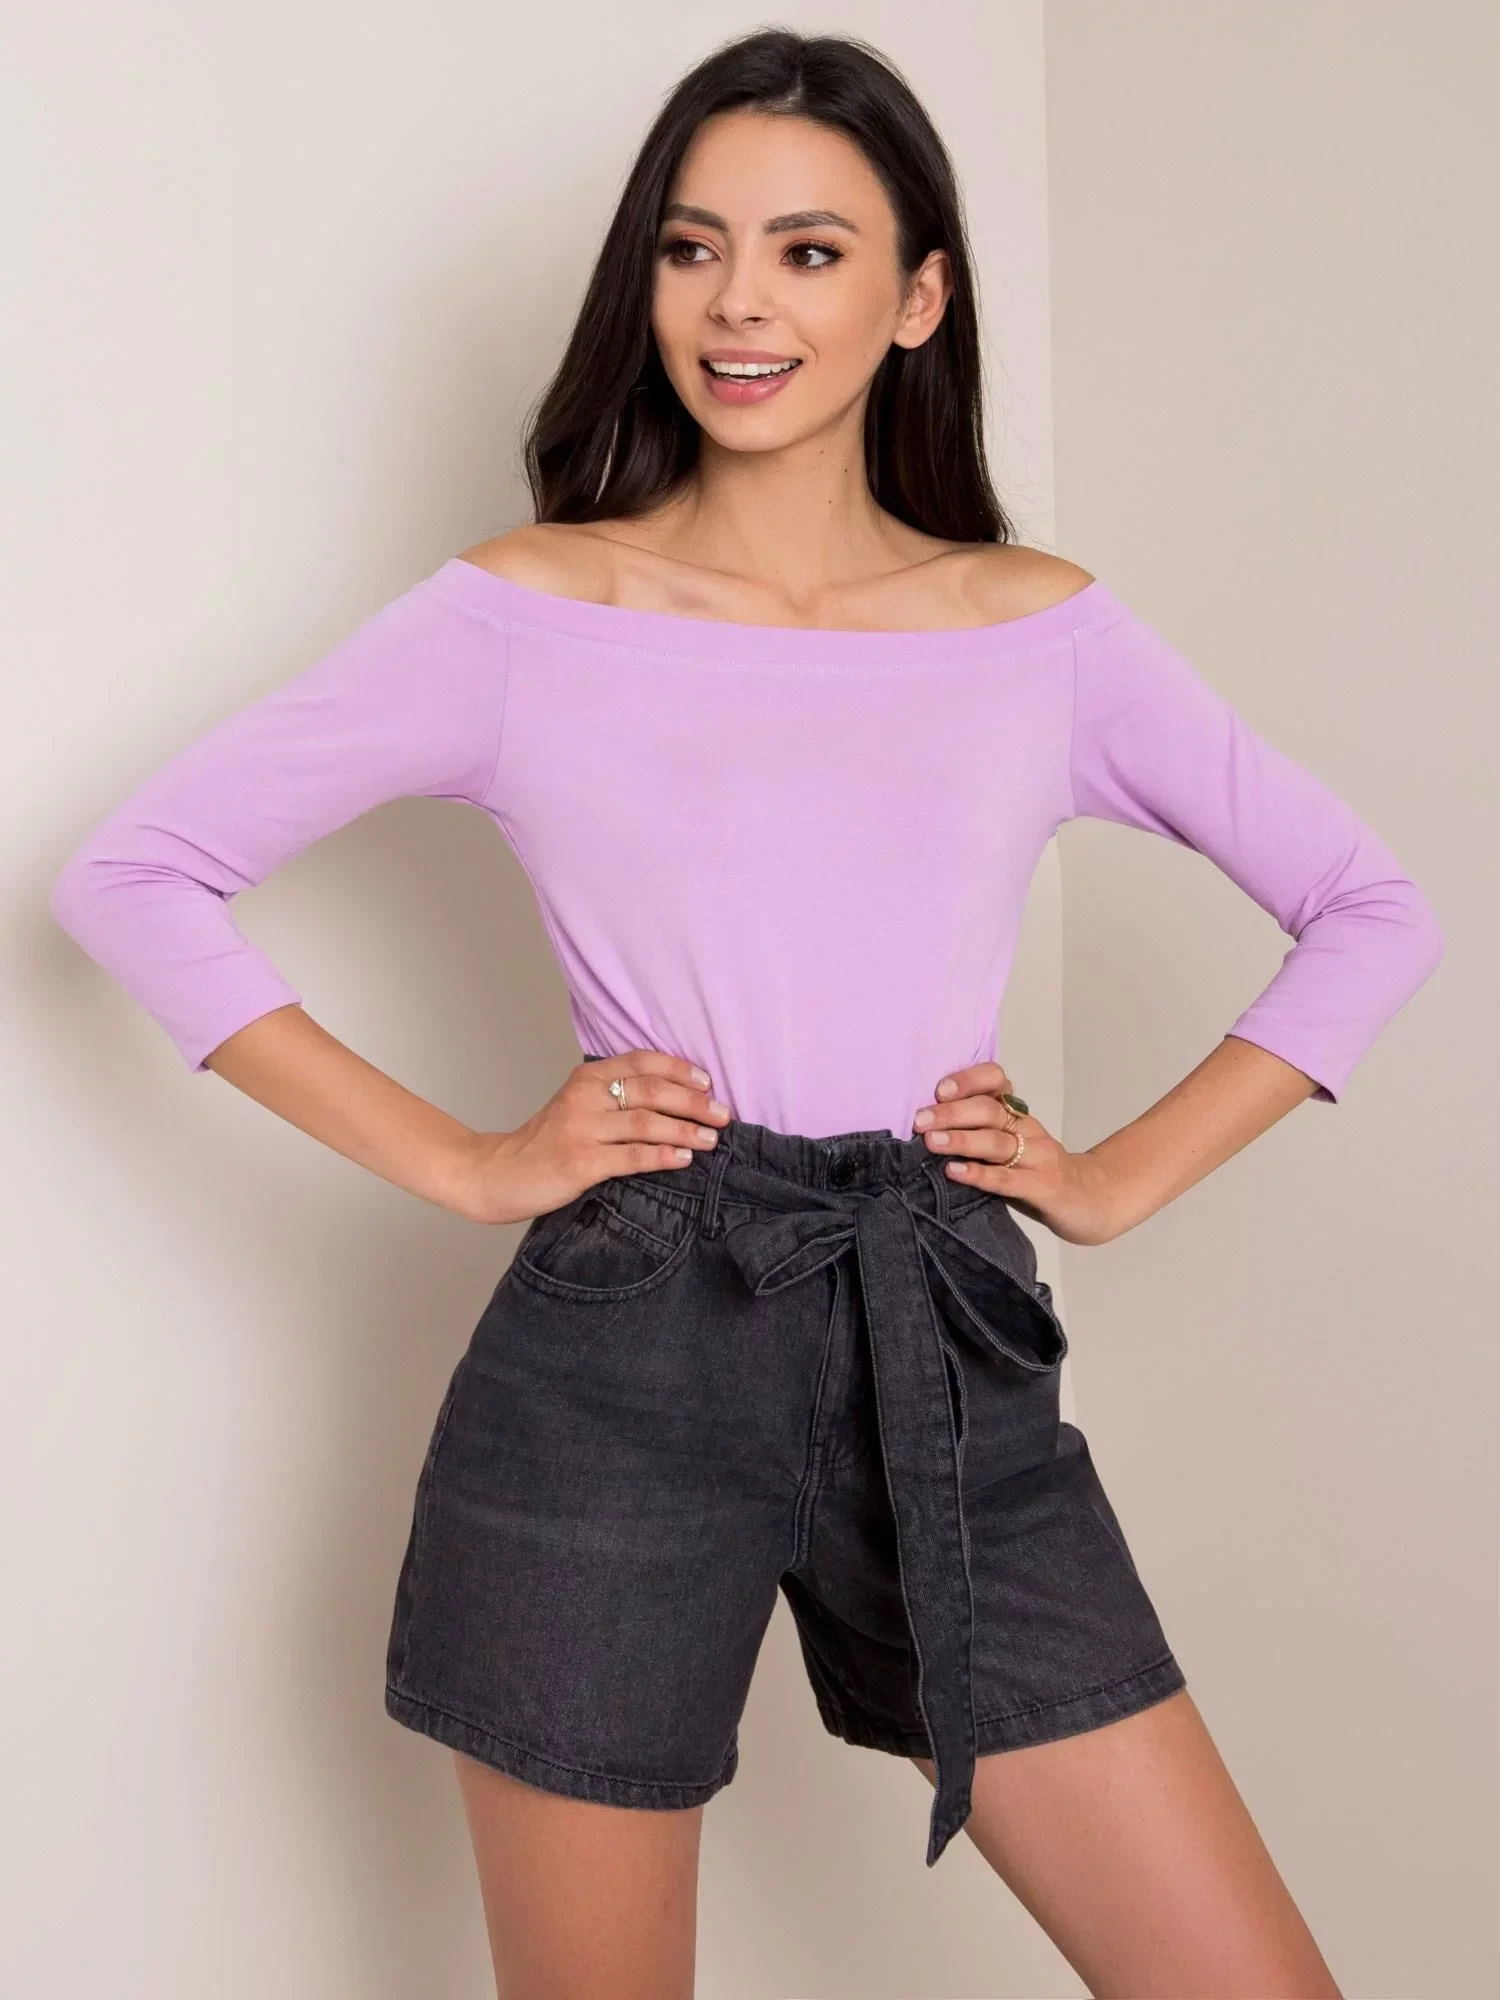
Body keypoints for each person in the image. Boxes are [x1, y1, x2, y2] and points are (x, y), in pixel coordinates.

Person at [48, 26, 1442, 2000]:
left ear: (919, 296)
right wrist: (465, 1160)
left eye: (808, 251)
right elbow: (135, 872)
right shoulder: (530, 615)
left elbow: (1370, 907)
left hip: (939, 1325)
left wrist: (1117, 1179)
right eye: (694, 248)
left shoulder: (1034, 631)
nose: (737, 304)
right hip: (620, 1350)